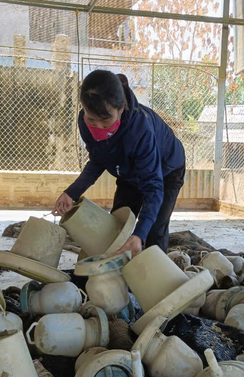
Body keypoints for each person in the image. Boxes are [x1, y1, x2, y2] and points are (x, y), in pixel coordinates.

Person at [52, 70, 185, 255]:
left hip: (166, 170)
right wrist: (71, 193)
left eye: (106, 122)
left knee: (153, 229)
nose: (98, 127)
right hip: (128, 172)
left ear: (121, 108)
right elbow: (97, 160)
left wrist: (139, 234)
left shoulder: (140, 131)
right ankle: (115, 277)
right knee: (116, 227)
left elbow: (153, 188)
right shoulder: (84, 122)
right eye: (91, 119)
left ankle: (154, 281)